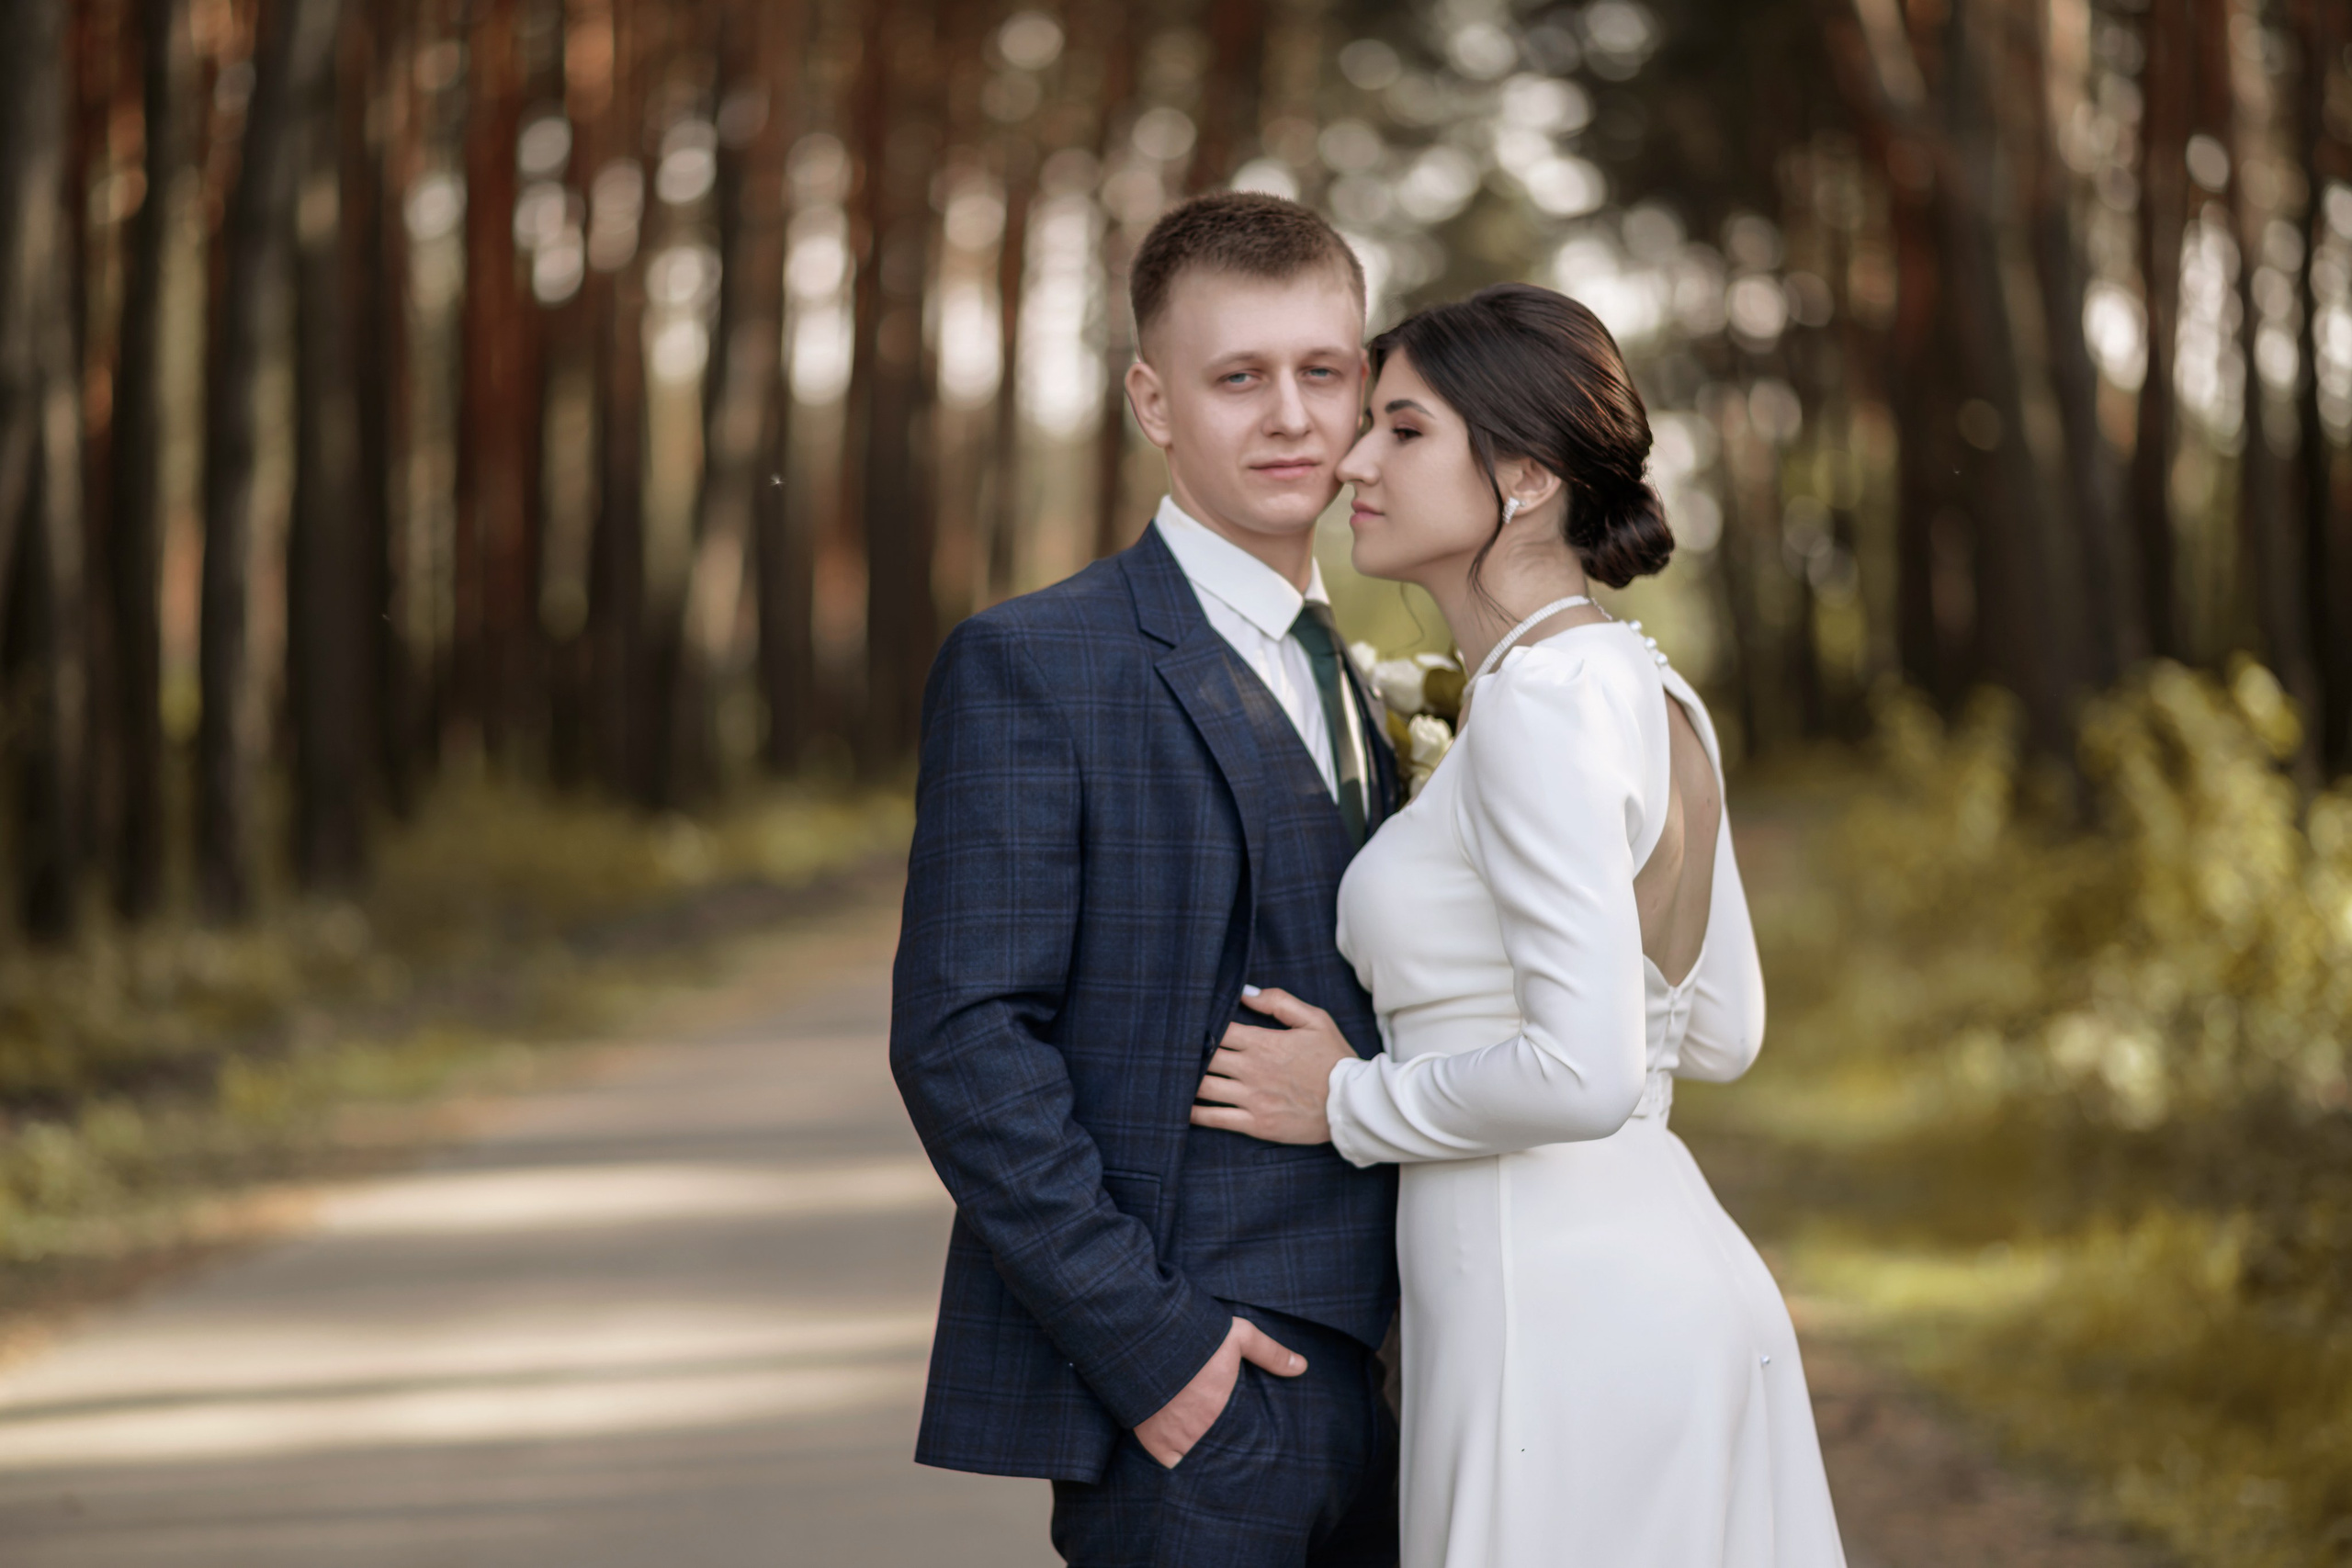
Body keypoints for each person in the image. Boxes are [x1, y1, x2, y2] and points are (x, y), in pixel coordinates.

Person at [1192, 282, 1849, 1567]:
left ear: (1529, 474)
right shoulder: (1648, 689)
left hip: (1554, 1313)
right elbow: (1714, 1032)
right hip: (1667, 1276)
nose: (1352, 460)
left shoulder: (1542, 707)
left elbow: (1589, 1070)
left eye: (1403, 429)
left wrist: (1344, 1099)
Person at [889, 190, 1403, 1567]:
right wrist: (1156, 1349)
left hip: (1410, 1385)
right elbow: (963, 1040)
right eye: (1239, 377)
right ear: (1154, 401)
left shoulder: (1363, 680)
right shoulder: (1038, 663)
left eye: (1324, 372)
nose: (1290, 416)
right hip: (1201, 1402)